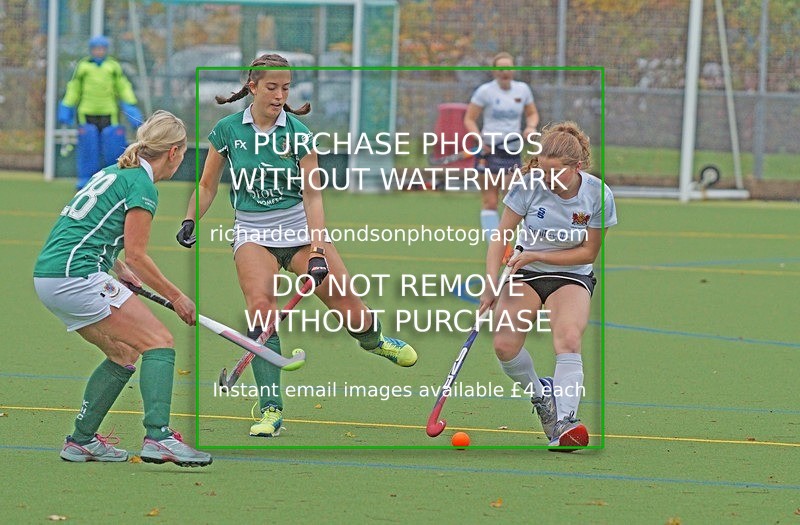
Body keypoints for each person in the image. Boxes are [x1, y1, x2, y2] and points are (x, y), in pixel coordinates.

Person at [176, 54, 417, 438]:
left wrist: (318, 250)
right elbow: (207, 185)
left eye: (285, 88)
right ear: (252, 86)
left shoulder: (299, 135)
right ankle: (271, 408)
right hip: (253, 234)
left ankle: (374, 340)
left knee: (350, 310)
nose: (279, 95)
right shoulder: (227, 131)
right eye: (272, 87)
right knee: (260, 310)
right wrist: (191, 218)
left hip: (302, 233)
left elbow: (313, 197)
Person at [34, 111, 212, 467]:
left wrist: (118, 267)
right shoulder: (142, 186)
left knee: (123, 353)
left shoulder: (115, 172)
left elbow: (91, 229)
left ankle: (81, 441)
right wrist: (176, 296)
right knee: (159, 341)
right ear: (174, 153)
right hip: (77, 276)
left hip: (50, 277)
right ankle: (159, 437)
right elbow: (138, 254)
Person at [480, 121, 616, 449]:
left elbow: (588, 251)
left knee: (568, 337)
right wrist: (490, 283)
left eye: (556, 173)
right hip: (525, 274)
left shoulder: (598, 194)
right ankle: (542, 396)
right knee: (504, 346)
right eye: (543, 171)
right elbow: (501, 236)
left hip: (572, 274)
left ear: (577, 167)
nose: (548, 180)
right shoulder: (528, 187)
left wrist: (535, 255)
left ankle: (564, 423)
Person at [464, 51, 539, 240]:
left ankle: (522, 243)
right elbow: (469, 119)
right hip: (488, 151)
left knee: (514, 199)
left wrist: (530, 127)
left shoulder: (522, 90)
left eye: (509, 67)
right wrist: (479, 140)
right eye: (501, 68)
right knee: (489, 201)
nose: (505, 71)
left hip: (511, 151)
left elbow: (532, 114)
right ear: (494, 71)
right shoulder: (485, 91)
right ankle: (496, 247)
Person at [58, 35, 144, 190]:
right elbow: (74, 88)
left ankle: (114, 179)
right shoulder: (83, 67)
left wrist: (130, 106)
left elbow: (122, 87)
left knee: (113, 146)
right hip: (87, 114)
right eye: (96, 49)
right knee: (88, 147)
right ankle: (86, 181)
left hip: (109, 114)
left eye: (102, 49)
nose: (99, 52)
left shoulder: (113, 67)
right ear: (91, 50)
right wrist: (66, 106)